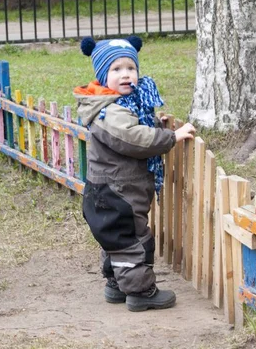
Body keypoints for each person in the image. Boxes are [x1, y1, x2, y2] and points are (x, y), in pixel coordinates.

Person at [73, 35, 196, 312]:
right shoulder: (108, 110)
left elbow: (135, 124)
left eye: (131, 68)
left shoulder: (116, 104)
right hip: (118, 191)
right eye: (116, 70)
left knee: (116, 239)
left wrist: (154, 123)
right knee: (133, 241)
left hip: (111, 187)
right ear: (103, 76)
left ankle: (116, 284)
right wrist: (169, 137)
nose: (126, 75)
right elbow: (132, 137)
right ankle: (141, 292)